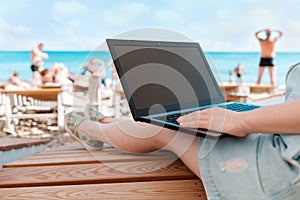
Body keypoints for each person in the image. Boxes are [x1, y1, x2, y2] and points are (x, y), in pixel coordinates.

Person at [65, 68, 300, 200]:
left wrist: (243, 121)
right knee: (177, 120)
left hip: (283, 170)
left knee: (164, 128)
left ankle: (90, 130)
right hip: (286, 137)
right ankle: (110, 122)